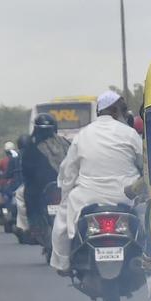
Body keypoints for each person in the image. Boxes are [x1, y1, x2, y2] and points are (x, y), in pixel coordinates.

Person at [51, 90, 142, 273]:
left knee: (62, 216)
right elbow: (145, 164)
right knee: (150, 218)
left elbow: (68, 172)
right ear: (116, 111)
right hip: (126, 197)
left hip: (87, 198)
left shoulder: (83, 135)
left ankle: (62, 263)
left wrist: (66, 194)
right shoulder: (130, 134)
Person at [21, 113, 71, 238]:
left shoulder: (31, 146)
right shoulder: (65, 143)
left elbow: (26, 170)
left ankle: (35, 226)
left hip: (43, 188)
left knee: (28, 195)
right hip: (66, 185)